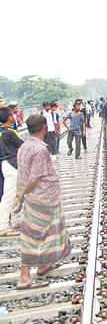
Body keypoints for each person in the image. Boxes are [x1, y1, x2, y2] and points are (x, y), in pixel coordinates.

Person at [13, 114, 72, 289]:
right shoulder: (40, 150)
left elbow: (21, 174)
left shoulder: (24, 146)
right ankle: (24, 278)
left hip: (37, 198)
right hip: (42, 199)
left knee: (44, 234)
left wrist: (19, 196)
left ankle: (43, 265)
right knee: (33, 237)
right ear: (45, 127)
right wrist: (21, 196)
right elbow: (34, 179)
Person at [0, 107, 23, 238]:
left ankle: (16, 220)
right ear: (10, 117)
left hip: (7, 164)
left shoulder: (2, 132)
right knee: (9, 196)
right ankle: (2, 226)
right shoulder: (11, 132)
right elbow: (22, 144)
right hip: (12, 164)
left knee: (16, 193)